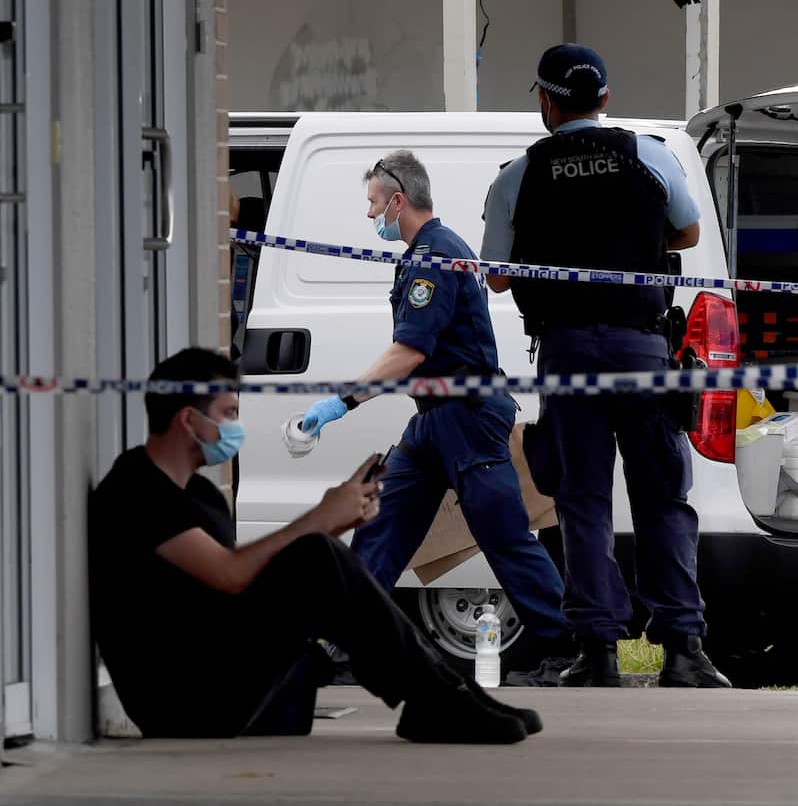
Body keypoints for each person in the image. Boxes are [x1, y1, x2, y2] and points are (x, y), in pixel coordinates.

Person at [89, 347, 540, 742]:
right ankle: (436, 699)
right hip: (182, 702)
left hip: (218, 673)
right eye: (227, 413)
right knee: (313, 556)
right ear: (189, 420)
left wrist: (336, 518)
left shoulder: (201, 496)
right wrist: (320, 521)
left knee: (317, 561)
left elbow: (243, 587)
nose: (236, 425)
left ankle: (444, 691)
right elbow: (228, 575)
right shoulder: (136, 491)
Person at [481, 43, 730, 688]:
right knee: (663, 499)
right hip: (642, 350)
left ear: (545, 101)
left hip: (567, 356)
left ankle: (599, 653)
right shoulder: (648, 154)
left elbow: (500, 278)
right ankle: (683, 651)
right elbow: (689, 233)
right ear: (605, 99)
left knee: (582, 502)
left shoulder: (518, 175)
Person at [299, 150, 574, 684]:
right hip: (433, 420)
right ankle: (352, 646)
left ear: (397, 201)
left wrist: (342, 402)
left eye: (374, 203)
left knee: (505, 538)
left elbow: (409, 352)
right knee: (381, 525)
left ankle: (561, 649)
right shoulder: (426, 252)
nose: (370, 214)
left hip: (467, 420)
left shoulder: (435, 256)